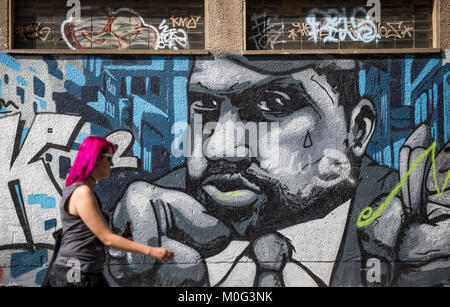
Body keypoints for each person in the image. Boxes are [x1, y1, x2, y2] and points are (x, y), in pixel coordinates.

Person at [106, 55, 450, 287]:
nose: (220, 148)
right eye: (206, 106)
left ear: (356, 131)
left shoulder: (418, 224)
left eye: (273, 105)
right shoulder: (141, 224)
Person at [46, 136, 174, 287]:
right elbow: (107, 238)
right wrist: (151, 251)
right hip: (75, 273)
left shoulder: (84, 190)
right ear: (95, 159)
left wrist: (125, 233)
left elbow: (99, 238)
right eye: (109, 159)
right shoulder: (82, 193)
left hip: (88, 271)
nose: (112, 164)